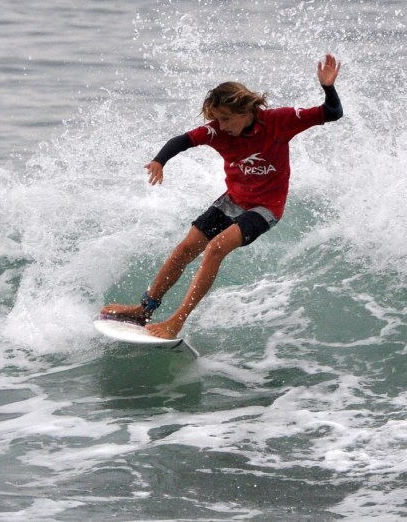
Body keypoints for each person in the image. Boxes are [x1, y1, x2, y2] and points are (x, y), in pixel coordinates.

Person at [101, 54, 343, 339]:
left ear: (246, 110)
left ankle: (176, 322)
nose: (222, 125)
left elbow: (332, 112)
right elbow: (182, 140)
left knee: (216, 248)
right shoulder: (218, 132)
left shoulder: (279, 121)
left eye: (226, 118)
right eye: (217, 119)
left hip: (266, 208)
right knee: (185, 249)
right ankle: (144, 310)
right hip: (233, 200)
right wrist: (159, 161)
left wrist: (328, 87)